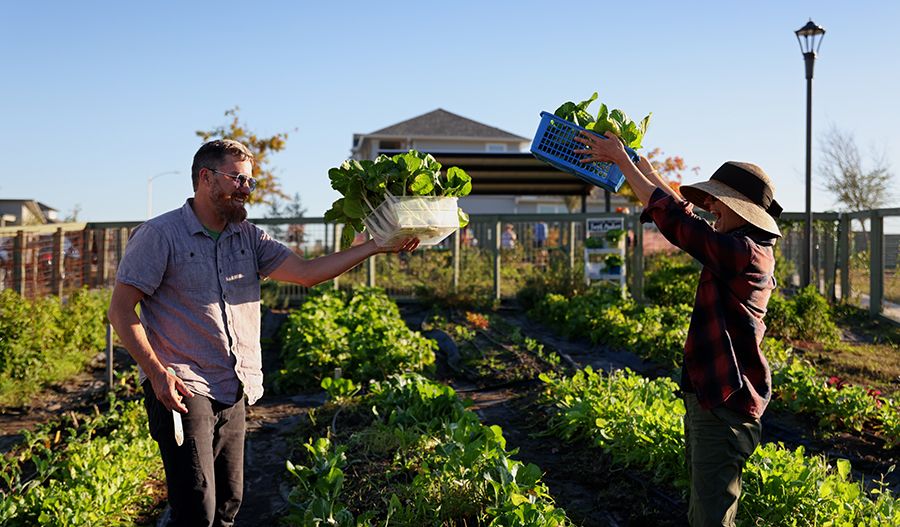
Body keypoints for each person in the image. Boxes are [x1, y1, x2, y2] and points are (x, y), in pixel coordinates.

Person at [107, 139, 418, 526]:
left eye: (250, 182)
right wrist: (156, 373)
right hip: (182, 388)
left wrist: (372, 247)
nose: (246, 189)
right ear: (206, 178)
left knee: (227, 505)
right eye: (238, 180)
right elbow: (120, 310)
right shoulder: (160, 235)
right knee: (196, 508)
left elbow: (306, 274)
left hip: (234, 385)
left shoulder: (249, 238)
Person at [575, 132, 780, 527]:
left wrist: (621, 161)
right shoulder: (740, 244)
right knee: (703, 511)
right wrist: (642, 166)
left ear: (743, 209)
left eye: (719, 203)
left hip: (726, 405)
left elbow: (679, 224)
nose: (712, 208)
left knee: (710, 519)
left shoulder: (744, 252)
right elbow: (681, 213)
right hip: (713, 399)